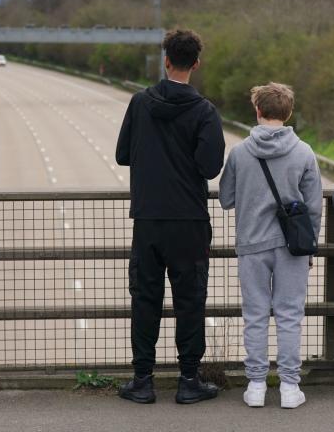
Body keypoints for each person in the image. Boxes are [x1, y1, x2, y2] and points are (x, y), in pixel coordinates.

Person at [115, 28, 226, 405]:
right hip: (189, 222)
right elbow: (211, 167)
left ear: (166, 60)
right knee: (189, 300)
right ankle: (188, 380)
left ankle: (142, 380)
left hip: (147, 218)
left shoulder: (140, 103)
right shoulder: (205, 112)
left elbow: (122, 155)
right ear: (196, 63)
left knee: (145, 298)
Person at [219, 83, 321, 409]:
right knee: (290, 315)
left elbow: (226, 198)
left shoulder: (239, 153)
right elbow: (314, 206)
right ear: (288, 112)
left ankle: (256, 385)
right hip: (291, 246)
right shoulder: (304, 152)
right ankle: (290, 387)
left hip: (251, 243)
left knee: (255, 315)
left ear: (258, 111)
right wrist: (310, 247)